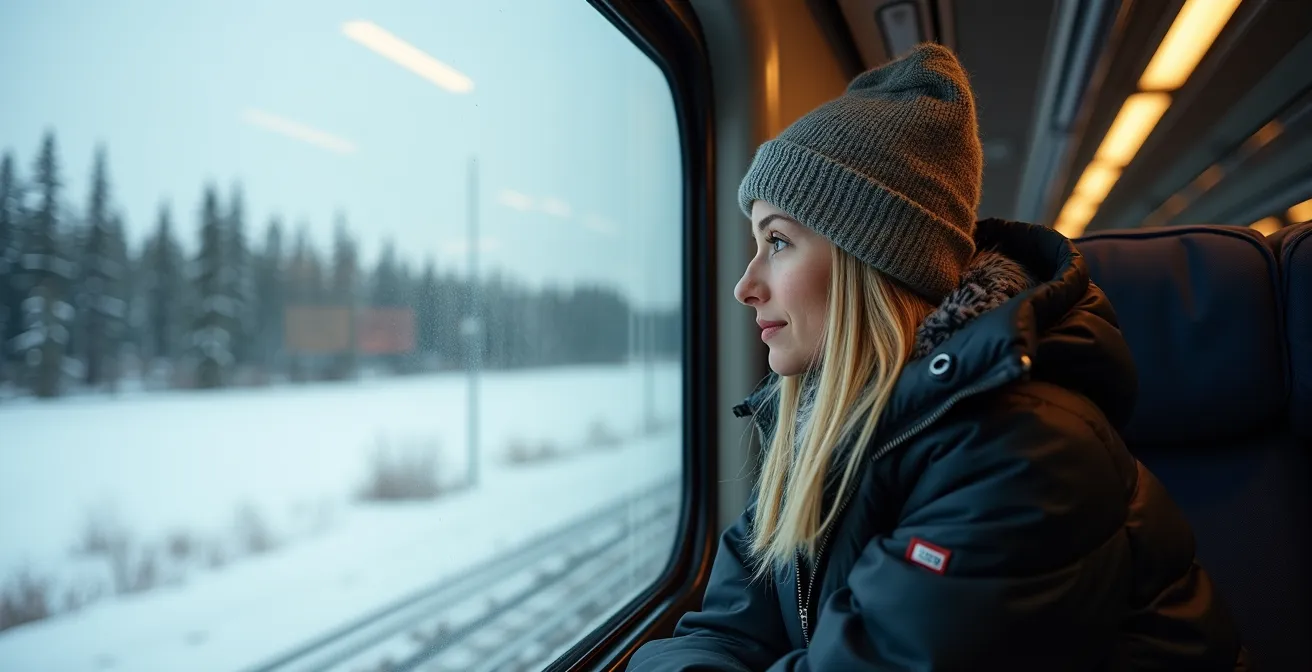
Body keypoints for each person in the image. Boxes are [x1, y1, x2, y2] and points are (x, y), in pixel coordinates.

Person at [627, 43, 1244, 671]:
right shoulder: (820, 433)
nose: (745, 285)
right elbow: (723, 631)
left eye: (778, 241)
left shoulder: (1027, 451)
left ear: (875, 260)